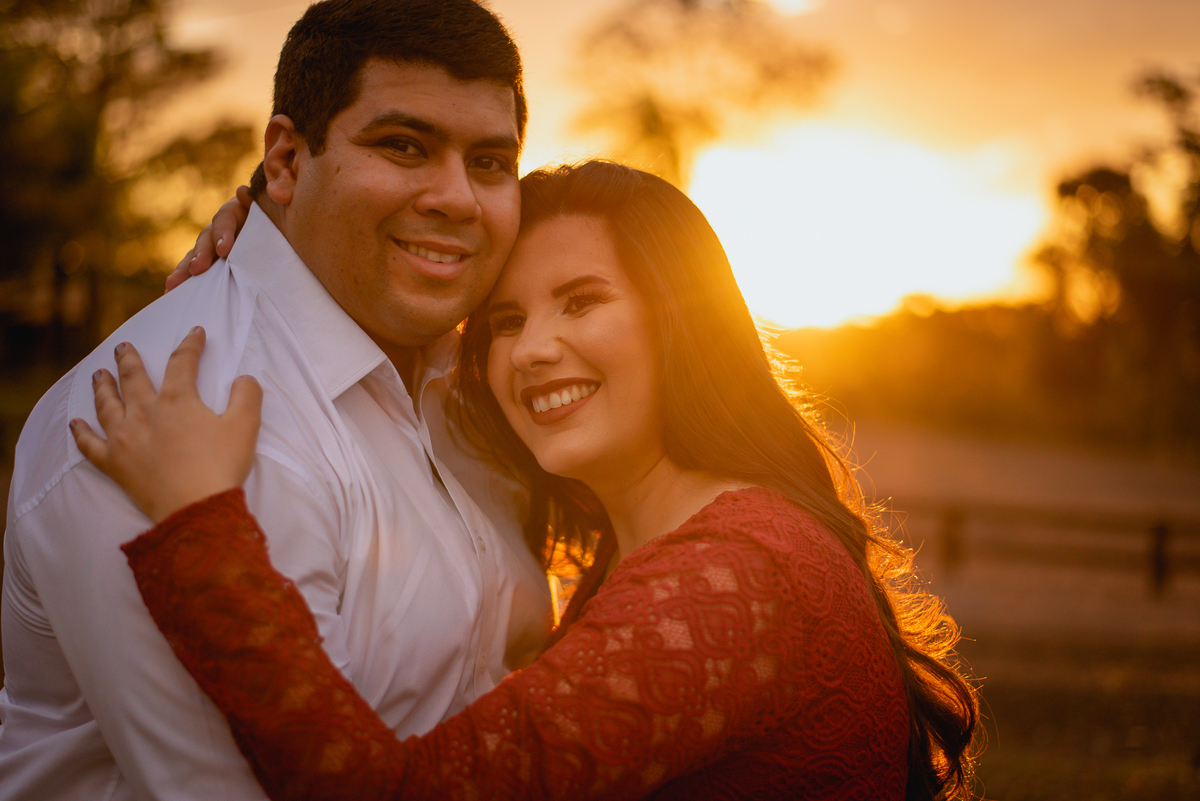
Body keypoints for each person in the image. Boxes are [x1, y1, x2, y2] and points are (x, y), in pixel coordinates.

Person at [73, 161, 980, 800]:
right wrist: (271, 237)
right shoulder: (672, 540)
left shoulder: (742, 573)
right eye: (504, 320)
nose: (532, 347)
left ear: (682, 323)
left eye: (582, 300)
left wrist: (199, 521)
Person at [0, 1, 554, 798]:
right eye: (404, 145)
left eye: (492, 162)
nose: (458, 198)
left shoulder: (478, 380)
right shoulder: (159, 415)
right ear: (287, 161)